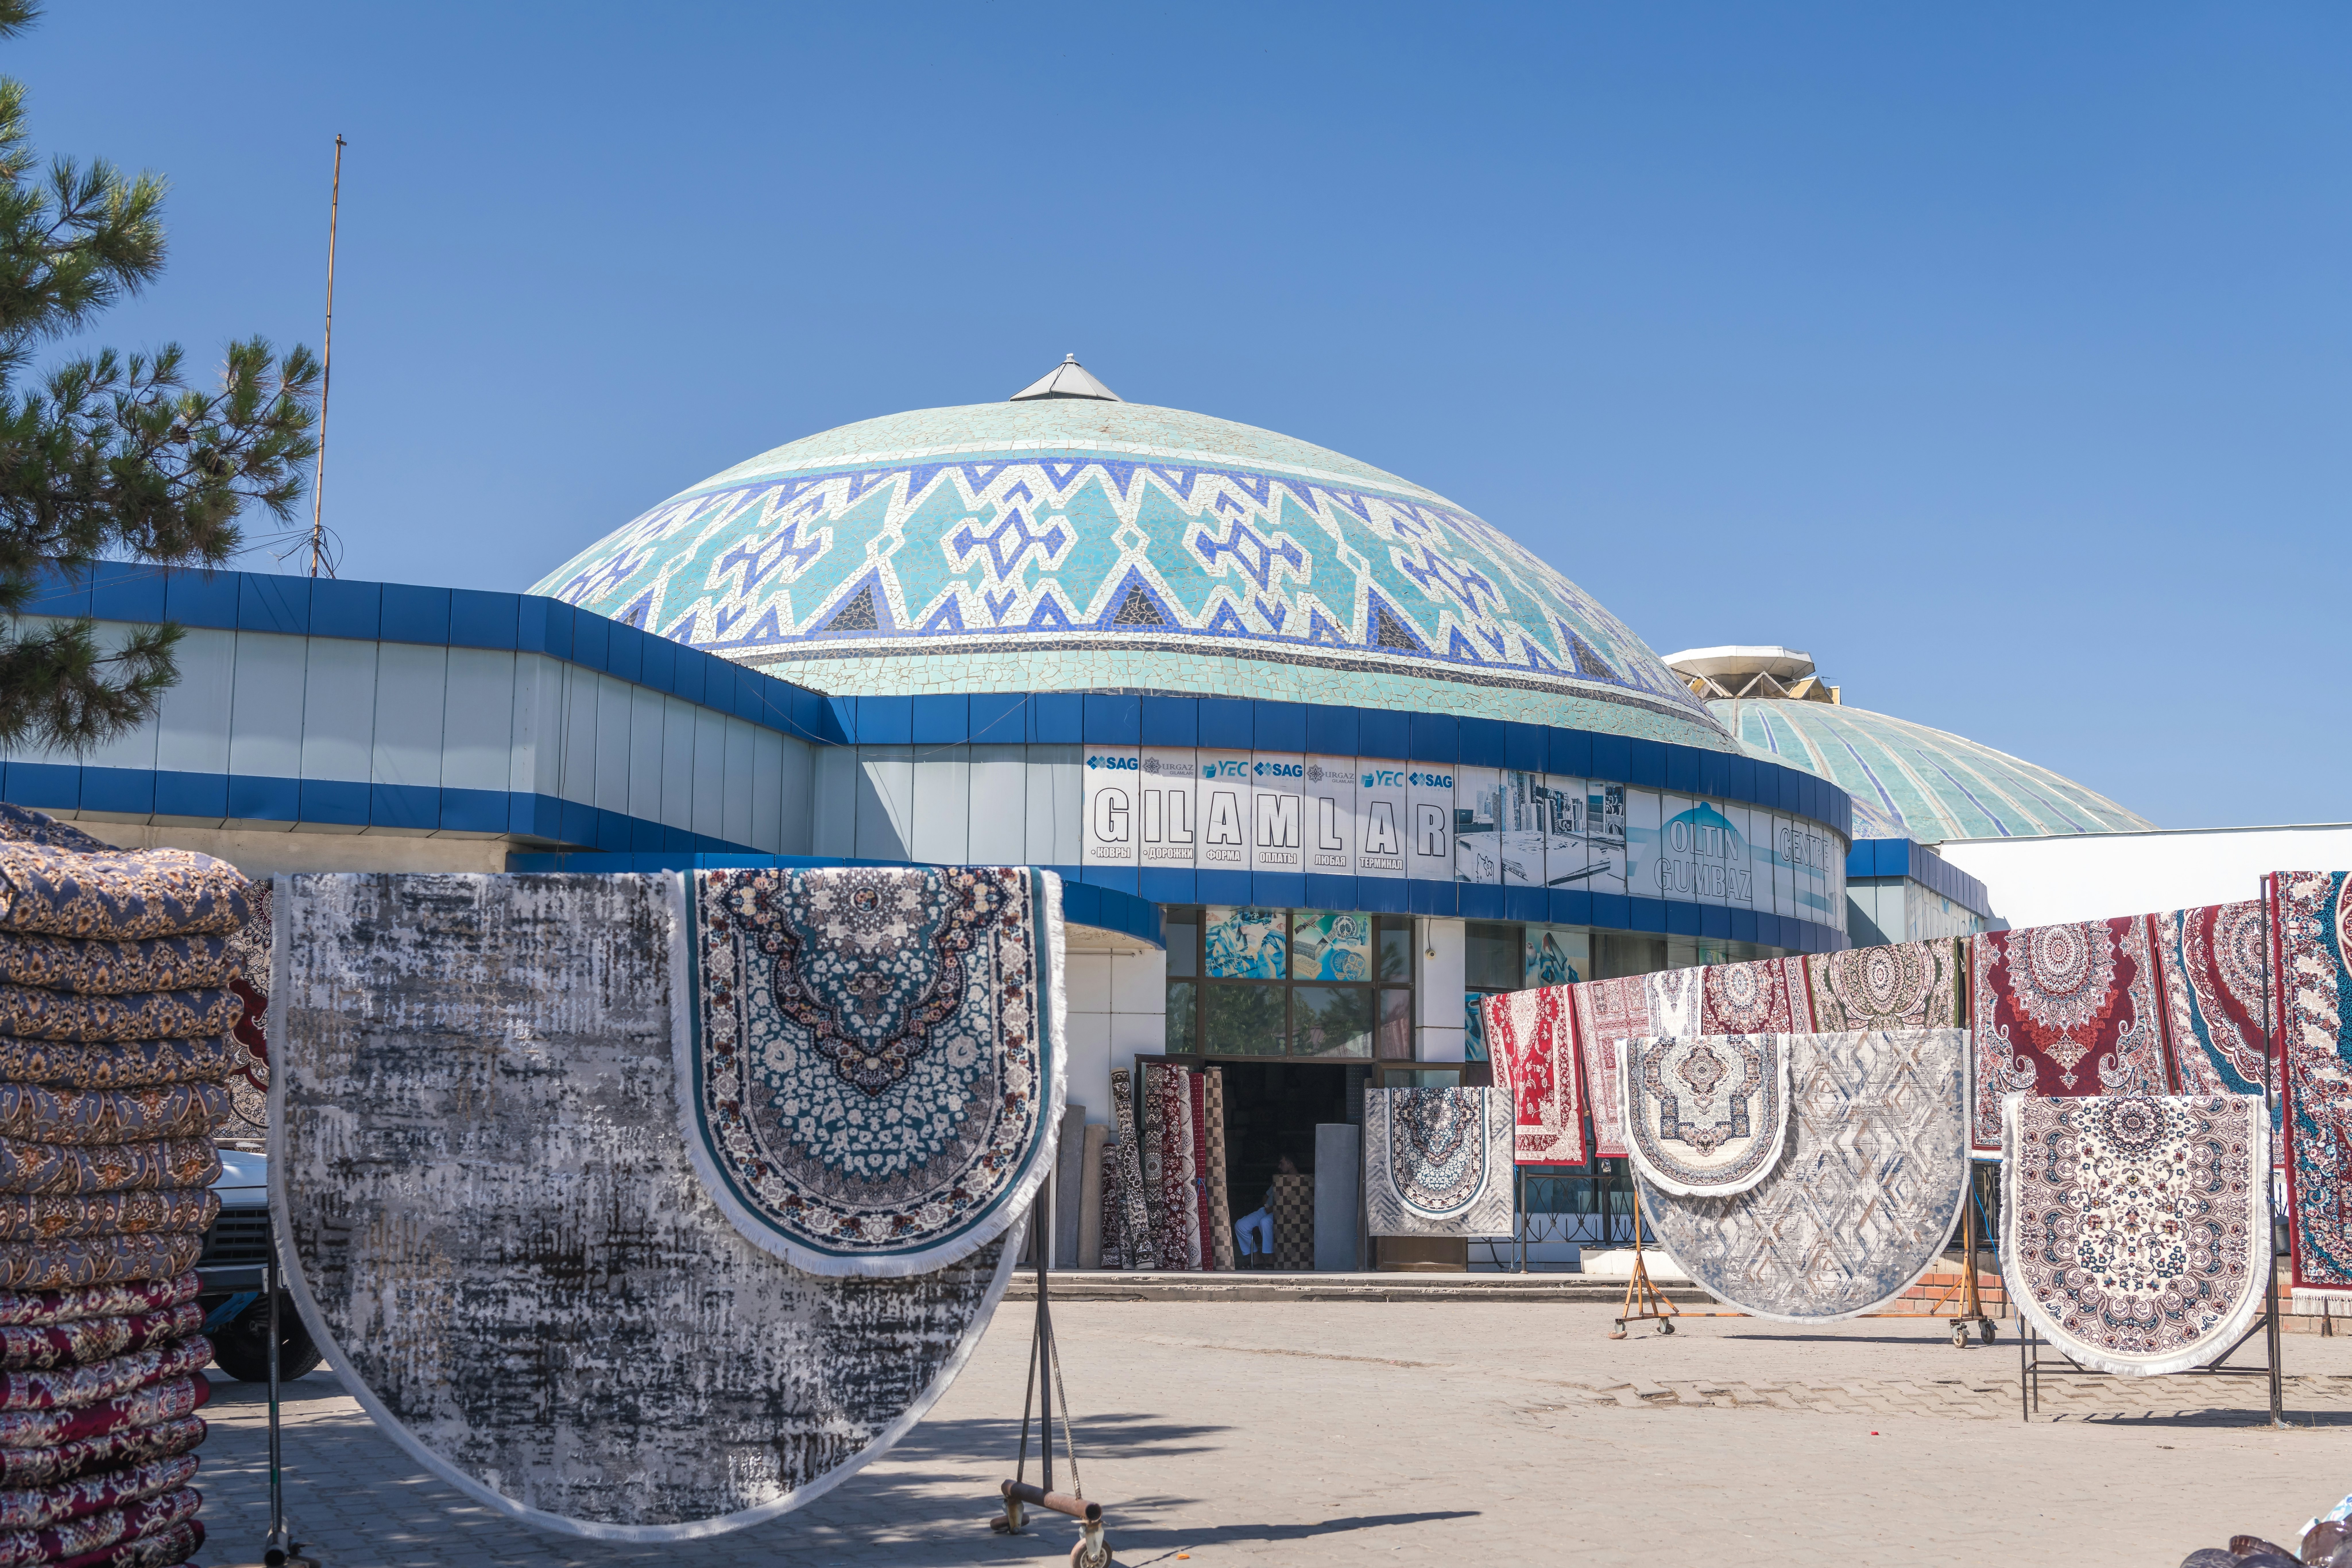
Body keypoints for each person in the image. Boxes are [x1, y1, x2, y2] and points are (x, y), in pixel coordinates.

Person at [1233, 1155, 1296, 1266]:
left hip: (1281, 1213)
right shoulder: (1279, 1179)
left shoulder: (1299, 1181)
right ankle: (1257, 1258)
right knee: (1241, 1225)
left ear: (1290, 1165)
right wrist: (1268, 1207)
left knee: (1265, 1222)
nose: (1279, 1166)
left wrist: (1275, 1209)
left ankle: (1270, 1258)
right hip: (1266, 1211)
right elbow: (1266, 1196)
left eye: (1282, 1163)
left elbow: (1295, 1205)